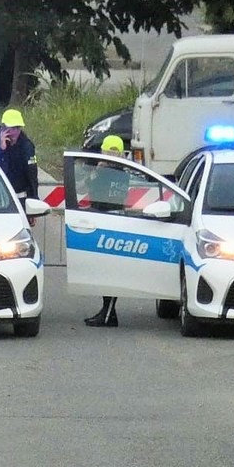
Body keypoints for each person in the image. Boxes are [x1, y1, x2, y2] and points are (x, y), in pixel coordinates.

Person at [85, 134, 130, 328]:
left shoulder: (103, 172)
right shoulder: (124, 173)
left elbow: (91, 187)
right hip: (115, 220)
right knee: (107, 271)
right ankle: (107, 312)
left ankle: (108, 314)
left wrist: (97, 170)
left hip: (106, 222)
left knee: (109, 272)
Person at [0, 108, 39, 201]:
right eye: (12, 128)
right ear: (3, 128)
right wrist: (1, 150)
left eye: (18, 128)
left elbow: (32, 173)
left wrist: (34, 198)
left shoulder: (27, 146)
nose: (15, 132)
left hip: (19, 197)